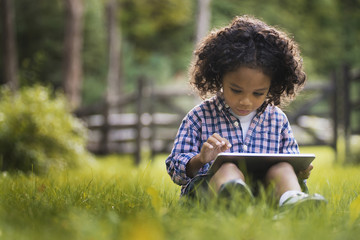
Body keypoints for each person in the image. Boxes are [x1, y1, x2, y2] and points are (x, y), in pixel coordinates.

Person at [165, 15, 326, 208]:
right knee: (227, 168)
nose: (246, 101)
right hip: (210, 193)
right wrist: (200, 159)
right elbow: (175, 168)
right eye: (236, 90)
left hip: (264, 194)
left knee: (283, 167)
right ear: (219, 76)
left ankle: (292, 203)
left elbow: (292, 163)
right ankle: (232, 201)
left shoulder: (277, 120)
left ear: (272, 86)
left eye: (258, 93)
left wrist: (301, 173)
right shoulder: (199, 117)